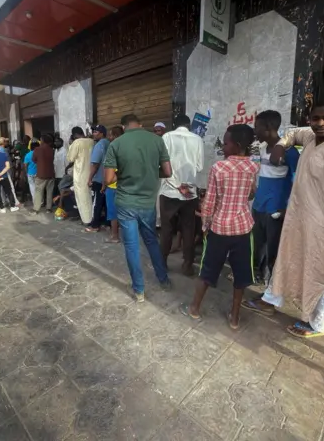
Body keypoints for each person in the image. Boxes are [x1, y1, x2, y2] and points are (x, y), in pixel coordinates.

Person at [254, 98, 324, 337]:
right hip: (300, 219)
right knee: (288, 259)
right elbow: (293, 134)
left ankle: (318, 324)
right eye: (316, 118)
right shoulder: (310, 137)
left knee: (323, 273)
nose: (321, 123)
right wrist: (280, 145)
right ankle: (272, 300)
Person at [179, 125, 259, 329]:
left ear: (236, 145)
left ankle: (194, 308)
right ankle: (234, 318)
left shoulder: (219, 168)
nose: (223, 146)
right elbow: (251, 194)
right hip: (243, 229)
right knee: (240, 275)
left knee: (207, 270)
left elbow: (210, 202)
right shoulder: (252, 167)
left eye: (225, 142)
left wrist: (204, 225)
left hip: (220, 228)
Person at [104, 114, 172, 302]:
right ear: (141, 125)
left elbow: (108, 179)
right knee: (151, 241)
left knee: (132, 246)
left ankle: (139, 291)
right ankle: (164, 280)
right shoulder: (156, 140)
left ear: (124, 127)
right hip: (147, 203)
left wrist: (123, 175)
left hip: (126, 203)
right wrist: (149, 172)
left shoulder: (116, 144)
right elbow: (167, 171)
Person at [241, 110, 300, 312]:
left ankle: (272, 300)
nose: (255, 131)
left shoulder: (290, 152)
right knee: (260, 250)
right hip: (259, 207)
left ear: (268, 128)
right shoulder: (264, 149)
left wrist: (286, 209)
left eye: (257, 127)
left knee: (275, 255)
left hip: (275, 211)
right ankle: (266, 289)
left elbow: (297, 183)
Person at [159, 114, 204, 276]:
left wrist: (176, 184)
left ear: (174, 124)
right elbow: (199, 167)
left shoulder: (166, 137)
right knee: (188, 229)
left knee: (166, 229)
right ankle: (187, 265)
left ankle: (162, 263)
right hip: (189, 192)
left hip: (169, 190)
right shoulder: (197, 139)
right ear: (189, 125)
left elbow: (161, 163)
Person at [85, 125, 110, 232]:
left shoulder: (99, 145)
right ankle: (107, 223)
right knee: (106, 202)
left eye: (96, 132)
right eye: (93, 131)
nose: (94, 133)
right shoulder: (109, 143)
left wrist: (89, 178)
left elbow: (95, 164)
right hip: (109, 178)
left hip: (99, 179)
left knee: (97, 203)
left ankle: (95, 225)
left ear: (102, 133)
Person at [66, 127, 94, 224]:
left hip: (81, 175)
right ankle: (93, 218)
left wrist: (70, 145)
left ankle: (86, 220)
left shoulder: (77, 143)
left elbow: (70, 158)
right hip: (92, 174)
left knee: (82, 199)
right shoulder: (91, 141)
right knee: (91, 198)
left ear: (74, 135)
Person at [104, 126, 124, 243]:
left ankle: (114, 236)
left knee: (113, 212)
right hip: (124, 185)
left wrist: (107, 182)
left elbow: (108, 168)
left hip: (113, 185)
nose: (109, 137)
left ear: (115, 136)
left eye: (111, 135)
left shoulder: (113, 148)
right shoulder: (126, 148)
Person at [32, 135, 55, 213]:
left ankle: (36, 209)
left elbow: (33, 159)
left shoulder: (37, 149)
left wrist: (39, 163)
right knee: (49, 191)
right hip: (51, 173)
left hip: (41, 174)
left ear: (42, 140)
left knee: (38, 191)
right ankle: (49, 208)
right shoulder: (51, 150)